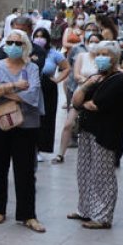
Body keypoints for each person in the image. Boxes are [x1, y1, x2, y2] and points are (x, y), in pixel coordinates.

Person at [0, 28, 45, 233]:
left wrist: (3, 89)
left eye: (18, 43)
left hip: (26, 124)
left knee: (25, 169)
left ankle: (28, 215)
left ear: (25, 46)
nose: (14, 46)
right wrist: (16, 86)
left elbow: (33, 93)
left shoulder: (32, 68)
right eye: (10, 42)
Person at [68, 40, 123, 230]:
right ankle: (85, 209)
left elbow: (97, 104)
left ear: (115, 58)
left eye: (107, 54)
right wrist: (86, 87)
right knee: (85, 171)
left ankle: (102, 216)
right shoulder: (95, 77)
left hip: (106, 133)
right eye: (99, 54)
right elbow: (77, 101)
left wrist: (88, 101)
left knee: (102, 175)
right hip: (88, 130)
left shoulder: (119, 79)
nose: (102, 58)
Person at [56, 31, 102, 164]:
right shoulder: (82, 56)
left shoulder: (104, 58)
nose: (93, 44)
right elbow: (76, 75)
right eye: (90, 41)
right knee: (68, 123)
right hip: (81, 92)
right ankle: (60, 153)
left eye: (96, 42)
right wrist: (89, 81)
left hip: (97, 95)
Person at [33, 27, 70, 161]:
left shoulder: (53, 53)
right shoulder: (29, 52)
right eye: (36, 36)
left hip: (48, 88)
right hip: (31, 87)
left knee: (46, 118)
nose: (39, 39)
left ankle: (40, 148)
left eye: (42, 36)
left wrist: (57, 80)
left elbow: (66, 68)